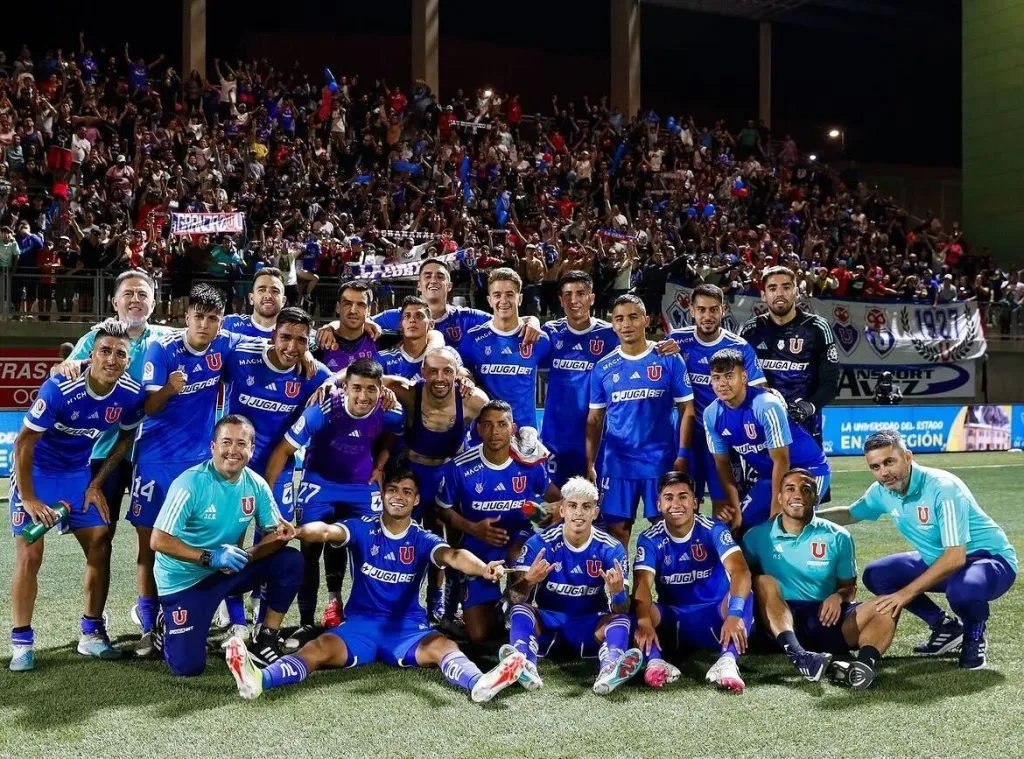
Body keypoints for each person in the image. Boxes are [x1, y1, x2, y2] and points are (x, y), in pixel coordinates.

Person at [224, 470, 525, 703]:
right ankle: (258, 680)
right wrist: (298, 531)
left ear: (416, 500)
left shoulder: (422, 539)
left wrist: (484, 568)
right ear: (382, 495)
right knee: (317, 648)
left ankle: (479, 684)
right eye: (392, 490)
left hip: (407, 629)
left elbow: (454, 556)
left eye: (407, 492)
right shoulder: (361, 527)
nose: (399, 496)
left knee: (445, 647)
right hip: (360, 627)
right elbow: (327, 531)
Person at [9, 319, 146, 671]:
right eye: (104, 351)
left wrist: (96, 482)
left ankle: (91, 633)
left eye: (120, 354)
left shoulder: (130, 393)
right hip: (37, 474)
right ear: (92, 354)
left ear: (127, 361)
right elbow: (24, 442)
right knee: (30, 553)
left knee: (101, 541)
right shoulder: (60, 387)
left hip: (77, 475)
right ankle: (22, 641)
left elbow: (126, 438)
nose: (111, 359)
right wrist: (28, 498)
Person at [817, 430, 1018, 670]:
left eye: (889, 462)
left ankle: (974, 636)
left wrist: (904, 594)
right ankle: (945, 627)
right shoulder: (882, 491)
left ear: (908, 457)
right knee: (877, 574)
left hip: (988, 561)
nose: (884, 472)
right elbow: (851, 513)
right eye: (876, 466)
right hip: (940, 562)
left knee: (963, 590)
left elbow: (955, 557)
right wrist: (808, 516)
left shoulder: (943, 489)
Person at [130, 284, 253, 655]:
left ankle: (237, 622)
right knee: (148, 545)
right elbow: (149, 407)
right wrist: (169, 389)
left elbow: (272, 344)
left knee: (222, 539)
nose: (204, 324)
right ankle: (149, 627)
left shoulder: (225, 344)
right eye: (198, 316)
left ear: (220, 323)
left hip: (202, 462)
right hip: (155, 460)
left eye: (212, 318)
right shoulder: (162, 349)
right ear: (186, 317)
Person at [264, 358, 405, 649]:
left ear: (381, 389)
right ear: (345, 386)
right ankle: (306, 623)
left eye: (370, 389)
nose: (363, 396)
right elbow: (283, 450)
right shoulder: (323, 409)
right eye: (356, 388)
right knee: (310, 548)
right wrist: (267, 496)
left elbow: (394, 435)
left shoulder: (390, 412)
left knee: (372, 548)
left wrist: (380, 464)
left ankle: (367, 618)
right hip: (320, 482)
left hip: (361, 486)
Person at [152, 415, 301, 676]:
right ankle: (165, 620)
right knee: (188, 667)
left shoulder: (256, 484)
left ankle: (266, 637)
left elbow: (275, 533)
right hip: (185, 581)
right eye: (226, 442)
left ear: (251, 450)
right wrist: (210, 558)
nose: (233, 450)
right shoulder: (189, 483)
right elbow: (158, 540)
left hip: (226, 571)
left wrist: (251, 554)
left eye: (241, 444)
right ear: (213, 447)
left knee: (290, 560)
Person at [218, 307, 332, 641]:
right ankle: (234, 617)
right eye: (285, 337)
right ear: (272, 335)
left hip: (279, 470)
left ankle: (261, 613)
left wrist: (331, 378)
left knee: (273, 539)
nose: (292, 347)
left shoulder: (315, 374)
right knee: (230, 540)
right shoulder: (241, 355)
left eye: (300, 340)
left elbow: (342, 379)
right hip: (233, 468)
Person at [743, 469, 897, 688]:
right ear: (779, 497)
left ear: (816, 498)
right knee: (762, 581)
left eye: (806, 489)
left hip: (825, 619)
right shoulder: (757, 536)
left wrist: (838, 596)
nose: (797, 494)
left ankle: (861, 668)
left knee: (888, 605)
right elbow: (739, 581)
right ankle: (797, 653)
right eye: (790, 489)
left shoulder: (838, 536)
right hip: (777, 624)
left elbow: (848, 586)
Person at [54, 270, 172, 543]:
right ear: (114, 302)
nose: (135, 299)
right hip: (106, 451)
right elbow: (62, 373)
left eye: (143, 295)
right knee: (101, 538)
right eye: (128, 294)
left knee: (155, 536)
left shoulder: (167, 339)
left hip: (153, 452)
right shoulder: (95, 339)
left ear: (153, 304)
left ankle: (152, 589)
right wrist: (67, 366)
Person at [503, 477, 644, 695]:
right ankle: (523, 662)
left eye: (586, 506)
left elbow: (622, 608)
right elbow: (513, 599)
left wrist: (616, 593)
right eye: (573, 505)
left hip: (590, 624)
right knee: (521, 611)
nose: (579, 512)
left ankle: (610, 668)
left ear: (595, 513)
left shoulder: (611, 549)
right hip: (549, 621)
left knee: (622, 619)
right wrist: (529, 580)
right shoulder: (539, 544)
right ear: (562, 510)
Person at [436, 400, 562, 643]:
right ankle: (499, 606)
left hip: (518, 539)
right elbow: (443, 510)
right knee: (480, 635)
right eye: (488, 425)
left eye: (502, 425)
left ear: (512, 428)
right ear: (479, 429)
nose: (495, 432)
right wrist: (473, 528)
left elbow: (558, 502)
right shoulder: (460, 467)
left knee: (521, 553)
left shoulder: (530, 464)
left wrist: (540, 513)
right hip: (477, 547)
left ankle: (517, 609)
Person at [382, 346, 490, 621]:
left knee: (447, 541)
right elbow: (363, 377)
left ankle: (443, 607)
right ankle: (397, 604)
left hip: (448, 476)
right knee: (401, 539)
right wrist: (327, 382)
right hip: (413, 476)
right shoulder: (407, 391)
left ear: (457, 373)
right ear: (422, 372)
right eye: (433, 371)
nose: (440, 377)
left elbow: (495, 430)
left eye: (447, 371)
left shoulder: (473, 400)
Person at [586, 294, 695, 545]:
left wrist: (682, 454)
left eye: (633, 317)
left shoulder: (668, 357)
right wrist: (590, 462)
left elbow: (687, 409)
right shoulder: (603, 367)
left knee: (668, 528)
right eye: (620, 319)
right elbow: (594, 419)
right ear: (612, 324)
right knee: (617, 532)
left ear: (646, 320)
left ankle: (667, 584)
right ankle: (619, 586)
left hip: (660, 460)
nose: (627, 324)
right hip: (617, 463)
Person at [633, 472, 754, 693]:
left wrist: (735, 614)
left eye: (683, 497)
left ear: (695, 502)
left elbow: (741, 571)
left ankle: (727, 661)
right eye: (668, 498)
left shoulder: (713, 529)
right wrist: (643, 621)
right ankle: (656, 662)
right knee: (636, 607)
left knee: (746, 594)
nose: (676, 504)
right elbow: (642, 585)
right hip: (673, 620)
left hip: (717, 617)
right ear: (659, 504)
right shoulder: (650, 538)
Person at [703, 349, 830, 532]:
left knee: (787, 528)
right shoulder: (711, 414)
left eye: (729, 376)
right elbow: (722, 464)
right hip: (770, 478)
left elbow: (781, 459)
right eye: (716, 378)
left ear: (744, 376)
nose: (722, 383)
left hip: (809, 471)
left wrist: (775, 513)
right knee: (739, 529)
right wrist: (735, 507)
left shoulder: (766, 405)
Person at [669, 283, 766, 509]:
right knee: (683, 503)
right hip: (686, 437)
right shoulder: (676, 341)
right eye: (701, 309)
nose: (707, 315)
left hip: (725, 436)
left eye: (713, 309)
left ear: (723, 310)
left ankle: (723, 544)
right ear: (691, 311)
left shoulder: (739, 347)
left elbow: (758, 392)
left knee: (726, 506)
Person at [740, 266, 840, 454]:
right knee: (763, 483)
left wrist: (807, 407)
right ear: (763, 295)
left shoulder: (817, 328)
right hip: (762, 428)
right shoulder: (751, 329)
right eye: (772, 288)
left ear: (796, 291)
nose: (779, 293)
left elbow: (830, 384)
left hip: (806, 426)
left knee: (808, 482)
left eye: (786, 287)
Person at [540, 271, 618, 486]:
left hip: (597, 438)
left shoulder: (611, 334)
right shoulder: (550, 332)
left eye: (580, 293)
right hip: (555, 438)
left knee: (597, 507)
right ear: (560, 299)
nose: (574, 300)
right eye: (567, 294)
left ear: (591, 298)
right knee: (556, 506)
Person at [371, 257, 541, 349]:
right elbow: (357, 325)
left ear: (449, 286)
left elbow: (504, 321)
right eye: (427, 276)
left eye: (440, 276)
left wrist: (532, 320)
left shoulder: (467, 317)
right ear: (419, 285)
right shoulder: (396, 316)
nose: (433, 280)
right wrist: (365, 323)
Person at [461, 268, 552, 436]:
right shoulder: (473, 340)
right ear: (489, 300)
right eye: (497, 295)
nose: (503, 300)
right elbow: (464, 375)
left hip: (525, 433)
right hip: (485, 434)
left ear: (520, 298)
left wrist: (534, 320)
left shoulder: (539, 340)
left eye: (510, 294)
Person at [378, 295, 434, 381]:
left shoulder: (446, 356)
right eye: (407, 316)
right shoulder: (382, 359)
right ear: (400, 325)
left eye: (419, 316)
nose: (412, 320)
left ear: (431, 324)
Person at [222, 267, 286, 338]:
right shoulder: (229, 324)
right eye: (261, 290)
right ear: (251, 298)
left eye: (275, 291)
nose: (268, 296)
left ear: (283, 301)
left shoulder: (293, 331)